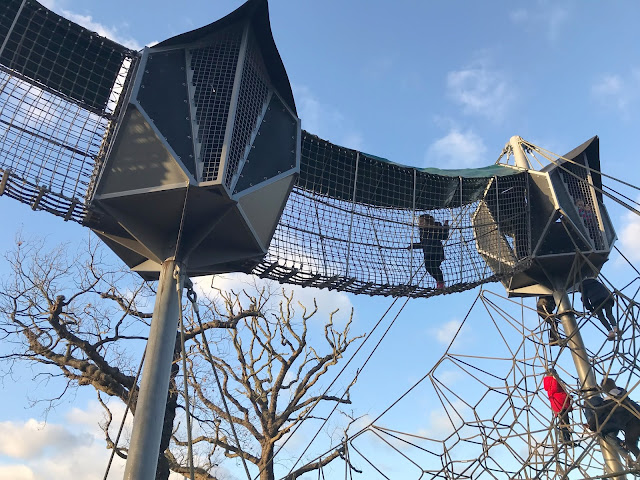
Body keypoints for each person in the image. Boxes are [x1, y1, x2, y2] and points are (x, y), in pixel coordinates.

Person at [408, 213, 450, 289]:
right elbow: (423, 243)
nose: (419, 224)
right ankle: (440, 282)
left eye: (421, 221)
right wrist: (413, 246)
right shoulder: (422, 232)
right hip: (428, 253)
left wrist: (446, 226)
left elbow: (444, 236)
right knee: (429, 267)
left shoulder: (435, 227)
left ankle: (440, 282)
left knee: (433, 266)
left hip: (436, 251)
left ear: (427, 221)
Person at [543, 369, 573, 443]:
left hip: (560, 403)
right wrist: (555, 379)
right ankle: (564, 438)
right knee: (564, 421)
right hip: (559, 403)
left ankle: (565, 437)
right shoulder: (552, 380)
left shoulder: (551, 381)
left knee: (564, 420)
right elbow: (555, 389)